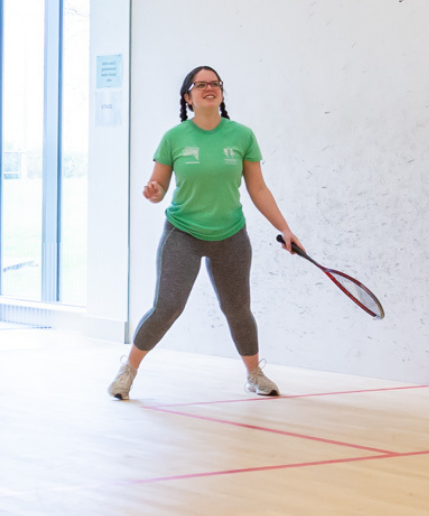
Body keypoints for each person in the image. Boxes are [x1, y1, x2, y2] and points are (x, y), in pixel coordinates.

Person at [109, 65, 302, 400]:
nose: (209, 88)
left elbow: (258, 189)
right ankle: (128, 369)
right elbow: (159, 187)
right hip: (182, 233)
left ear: (222, 93)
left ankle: (254, 374)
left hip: (231, 235)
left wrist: (284, 228)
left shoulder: (242, 136)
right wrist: (154, 192)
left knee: (238, 308)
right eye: (201, 85)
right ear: (188, 96)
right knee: (166, 307)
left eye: (215, 84)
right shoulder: (174, 137)